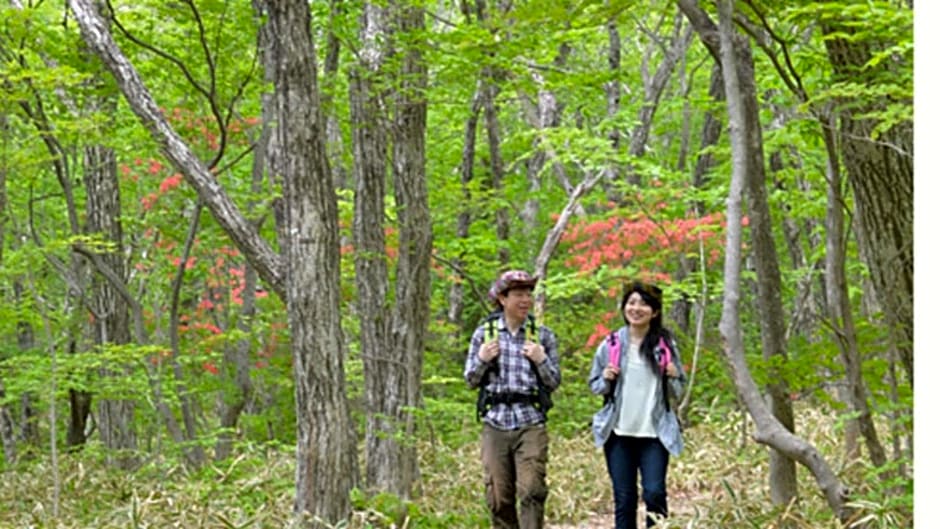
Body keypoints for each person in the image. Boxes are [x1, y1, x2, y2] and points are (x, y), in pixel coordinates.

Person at [464, 270, 562, 529]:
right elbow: (470, 380)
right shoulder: (484, 335)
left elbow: (554, 382)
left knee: (531, 489)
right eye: (518, 294)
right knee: (498, 496)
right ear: (502, 299)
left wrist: (541, 360)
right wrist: (482, 360)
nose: (525, 300)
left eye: (528, 294)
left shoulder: (543, 336)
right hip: (495, 422)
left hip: (531, 420)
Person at [588, 281, 686, 529]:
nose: (636, 308)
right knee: (624, 498)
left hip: (654, 433)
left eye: (644, 304)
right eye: (631, 303)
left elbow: (679, 390)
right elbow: (595, 385)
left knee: (654, 493)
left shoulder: (665, 346)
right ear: (624, 308)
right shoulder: (611, 344)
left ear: (654, 312)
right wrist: (606, 378)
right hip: (618, 433)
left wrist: (673, 374)